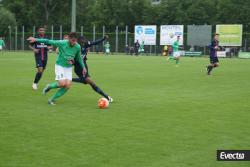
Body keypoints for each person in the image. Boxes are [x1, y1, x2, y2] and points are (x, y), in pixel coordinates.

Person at [28, 32, 86, 105]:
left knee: (67, 85)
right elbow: (48, 41)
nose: (74, 42)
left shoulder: (77, 47)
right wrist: (36, 39)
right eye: (72, 40)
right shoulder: (62, 43)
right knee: (62, 83)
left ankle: (51, 99)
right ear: (69, 39)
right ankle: (49, 86)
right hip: (60, 65)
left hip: (68, 68)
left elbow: (79, 58)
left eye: (75, 41)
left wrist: (83, 67)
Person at [72, 35, 113, 102]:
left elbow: (95, 42)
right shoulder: (75, 48)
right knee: (91, 82)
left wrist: (103, 39)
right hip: (78, 68)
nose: (83, 44)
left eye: (83, 42)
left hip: (84, 66)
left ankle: (69, 79)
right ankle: (107, 97)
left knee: (85, 81)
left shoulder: (85, 44)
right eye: (81, 42)